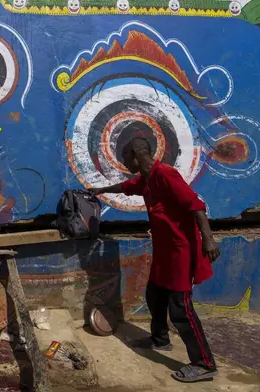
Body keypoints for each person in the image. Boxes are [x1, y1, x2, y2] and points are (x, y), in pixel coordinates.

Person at [92, 137, 220, 383]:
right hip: (164, 251)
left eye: (124, 158)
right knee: (154, 295)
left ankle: (204, 364)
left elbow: (197, 207)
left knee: (181, 309)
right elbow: (127, 187)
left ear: (134, 154)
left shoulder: (166, 175)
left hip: (180, 252)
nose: (123, 163)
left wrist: (209, 240)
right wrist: (100, 191)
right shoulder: (147, 180)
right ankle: (160, 339)